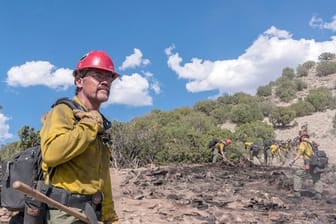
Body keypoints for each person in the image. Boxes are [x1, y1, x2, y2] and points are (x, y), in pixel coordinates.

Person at [40, 50, 120, 223]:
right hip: (64, 214)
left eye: (109, 78)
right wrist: (90, 124)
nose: (105, 82)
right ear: (79, 81)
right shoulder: (63, 111)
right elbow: (51, 153)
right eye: (98, 76)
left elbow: (102, 177)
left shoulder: (100, 125)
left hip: (91, 213)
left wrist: (109, 217)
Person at [289, 132, 323, 200]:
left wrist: (293, 160)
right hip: (315, 163)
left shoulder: (304, 143)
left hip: (308, 163)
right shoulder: (313, 142)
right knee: (316, 177)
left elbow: (300, 151)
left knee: (298, 175)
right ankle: (318, 194)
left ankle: (297, 193)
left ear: (302, 137)